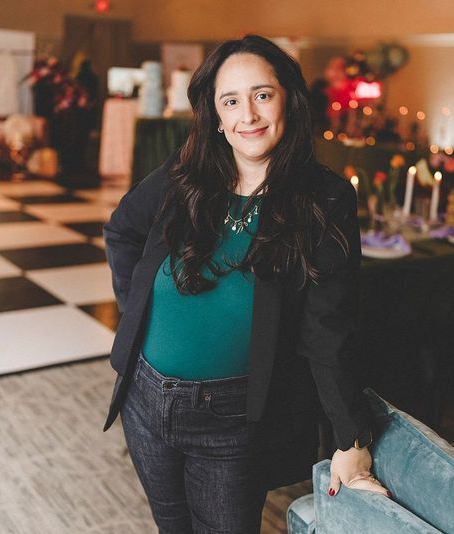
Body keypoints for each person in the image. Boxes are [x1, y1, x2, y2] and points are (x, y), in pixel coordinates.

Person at [102, 35, 387, 533]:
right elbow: (122, 230)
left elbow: (329, 326)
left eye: (262, 94)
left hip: (232, 421)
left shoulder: (323, 198)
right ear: (215, 114)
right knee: (172, 526)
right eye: (230, 100)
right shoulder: (184, 174)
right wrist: (137, 312)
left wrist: (350, 439)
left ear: (288, 100)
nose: (248, 115)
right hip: (145, 402)